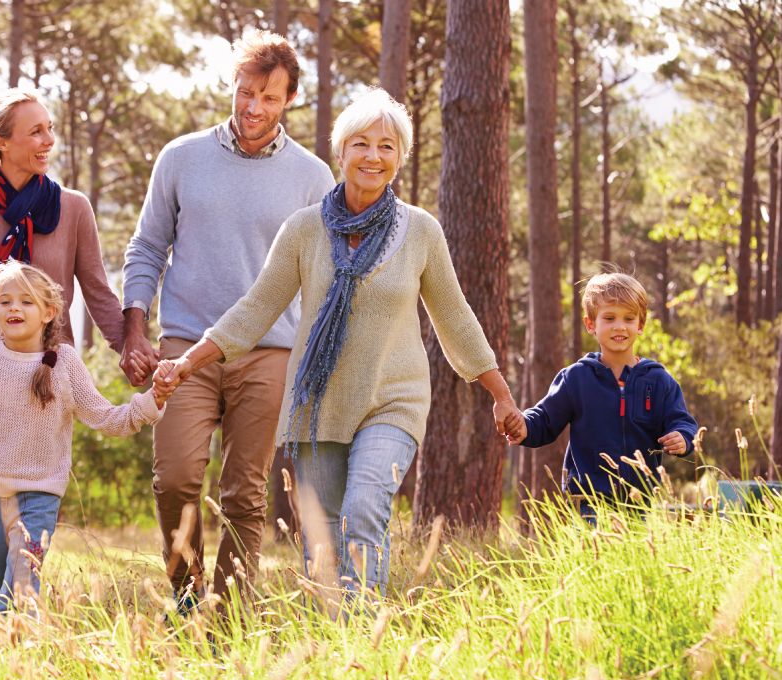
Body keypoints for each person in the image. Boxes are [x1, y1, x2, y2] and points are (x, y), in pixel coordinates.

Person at [155, 88, 523, 596]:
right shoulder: (304, 230)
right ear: (341, 151)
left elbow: (455, 317)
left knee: (364, 507)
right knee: (323, 537)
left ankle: (361, 638)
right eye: (361, 144)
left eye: (387, 146)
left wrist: (500, 393)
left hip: (393, 400)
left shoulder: (420, 231)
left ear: (400, 158)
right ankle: (336, 643)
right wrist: (187, 361)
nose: (373, 156)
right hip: (319, 404)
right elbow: (257, 309)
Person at [122, 29, 336, 609]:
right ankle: (186, 594)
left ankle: (229, 613)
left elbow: (323, 276)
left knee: (244, 493)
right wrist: (134, 327)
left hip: (270, 351)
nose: (253, 108)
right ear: (233, 87)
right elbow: (147, 247)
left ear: (289, 99)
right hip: (185, 347)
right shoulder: (181, 157)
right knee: (175, 477)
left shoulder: (313, 178)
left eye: (268, 97)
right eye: (245, 92)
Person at [0, 88, 147, 585]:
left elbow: (97, 291)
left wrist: (131, 350)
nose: (49, 140)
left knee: (35, 505)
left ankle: (20, 606)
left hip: (47, 380)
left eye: (50, 128)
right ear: (1, 144)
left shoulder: (72, 209)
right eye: (36, 131)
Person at [0, 261, 167, 610]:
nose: (15, 308)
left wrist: (153, 400)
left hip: (39, 497)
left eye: (26, 301)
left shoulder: (65, 364)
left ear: (48, 312)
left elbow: (107, 418)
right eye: (6, 301)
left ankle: (19, 648)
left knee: (21, 589)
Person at [512, 272, 698, 517]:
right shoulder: (576, 378)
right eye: (609, 318)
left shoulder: (658, 380)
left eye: (628, 319)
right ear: (591, 324)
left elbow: (682, 421)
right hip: (588, 502)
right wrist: (523, 426)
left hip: (640, 502)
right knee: (594, 555)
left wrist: (683, 438)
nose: (619, 326)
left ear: (640, 325)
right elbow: (545, 419)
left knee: (635, 555)